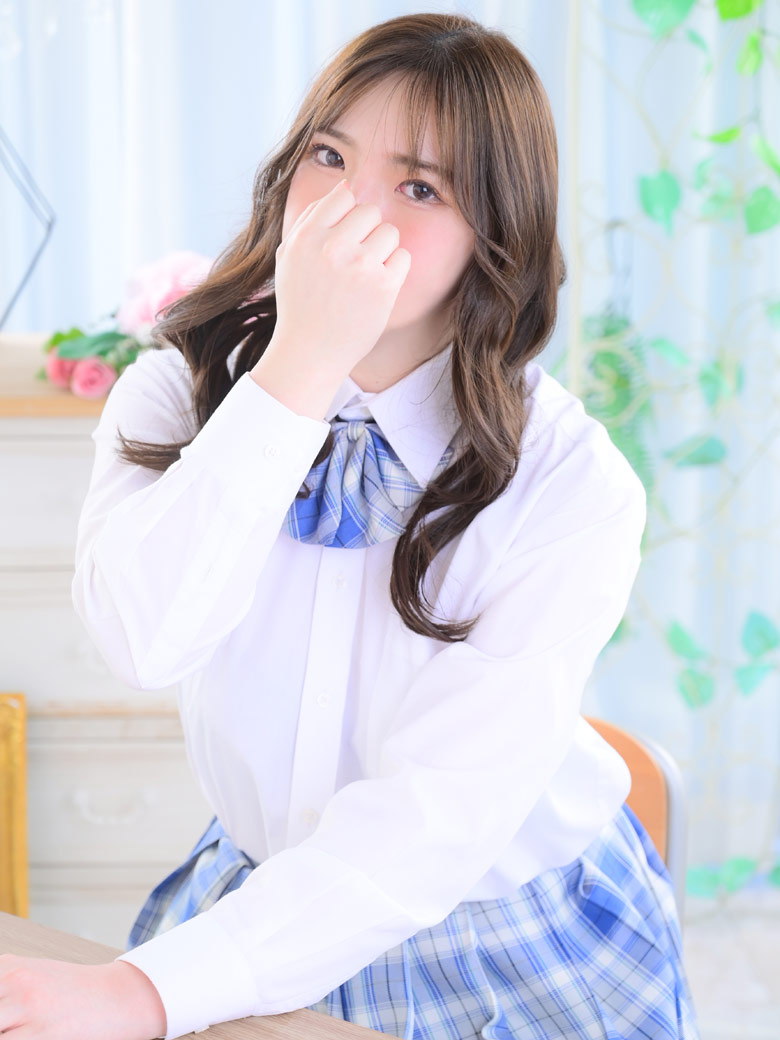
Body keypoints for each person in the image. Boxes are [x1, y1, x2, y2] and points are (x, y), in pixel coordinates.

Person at [0, 12, 699, 1040]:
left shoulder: (571, 484)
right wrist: (298, 369)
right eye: (329, 157)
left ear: (495, 236)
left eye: (419, 188)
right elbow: (143, 641)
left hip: (506, 939)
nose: (348, 212)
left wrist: (142, 992)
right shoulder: (174, 395)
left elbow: (429, 826)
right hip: (260, 911)